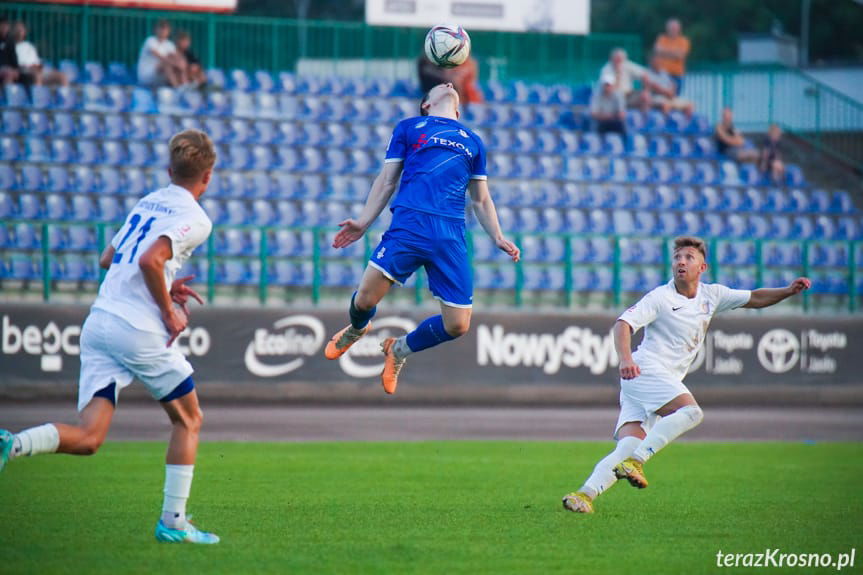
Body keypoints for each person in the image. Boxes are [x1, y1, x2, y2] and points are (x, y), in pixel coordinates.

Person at [0, 130, 220, 545]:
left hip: (100, 322)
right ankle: (173, 522)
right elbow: (151, 260)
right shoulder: (198, 218)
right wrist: (168, 311)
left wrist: (166, 282)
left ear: (169, 170)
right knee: (189, 419)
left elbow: (109, 258)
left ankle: (11, 444)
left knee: (89, 438)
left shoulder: (148, 201)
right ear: (207, 177)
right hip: (136, 329)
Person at [562, 236, 810, 514]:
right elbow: (623, 324)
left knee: (627, 446)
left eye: (688, 257)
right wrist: (625, 358)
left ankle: (583, 495)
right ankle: (638, 461)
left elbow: (754, 297)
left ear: (702, 267)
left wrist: (788, 291)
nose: (681, 262)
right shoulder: (660, 297)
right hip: (645, 370)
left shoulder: (712, 295)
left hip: (651, 381)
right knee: (691, 413)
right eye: (677, 257)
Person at [323, 82, 520, 394]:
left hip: (450, 236)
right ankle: (358, 328)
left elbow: (481, 199)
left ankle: (399, 349)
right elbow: (387, 180)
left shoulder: (473, 142)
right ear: (426, 104)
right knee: (364, 300)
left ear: (458, 109)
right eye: (437, 86)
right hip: (409, 225)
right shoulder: (410, 128)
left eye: (450, 84)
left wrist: (497, 234)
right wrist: (363, 221)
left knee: (458, 325)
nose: (448, 83)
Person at [12, 21, 68, 87]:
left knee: (62, 76)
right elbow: (15, 64)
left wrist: (38, 66)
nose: (19, 32)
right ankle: (38, 95)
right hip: (24, 71)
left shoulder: (29, 46)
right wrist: (29, 67)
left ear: (25, 32)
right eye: (18, 30)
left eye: (22, 30)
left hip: (37, 69)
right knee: (37, 75)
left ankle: (64, 96)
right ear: (12, 31)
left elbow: (37, 61)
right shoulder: (10, 46)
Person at [137, 20, 186, 88]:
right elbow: (160, 57)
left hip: (161, 77)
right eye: (161, 28)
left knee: (180, 62)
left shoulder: (169, 44)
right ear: (156, 30)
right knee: (167, 63)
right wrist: (176, 64)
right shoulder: (150, 41)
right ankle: (177, 88)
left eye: (165, 29)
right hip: (147, 76)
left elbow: (176, 58)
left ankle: (185, 86)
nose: (163, 31)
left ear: (169, 31)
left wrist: (181, 63)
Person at [653, 18, 690, 96]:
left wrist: (664, 53)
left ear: (679, 29)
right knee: (662, 97)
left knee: (675, 98)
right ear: (667, 29)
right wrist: (674, 53)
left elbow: (680, 56)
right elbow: (657, 51)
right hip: (663, 74)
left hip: (677, 75)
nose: (673, 30)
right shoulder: (662, 39)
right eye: (671, 28)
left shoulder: (683, 41)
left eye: (675, 28)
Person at [0, 17, 19, 86]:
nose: (4, 28)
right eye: (2, 25)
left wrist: (16, 69)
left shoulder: (10, 41)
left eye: (6, 26)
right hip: (4, 69)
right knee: (8, 73)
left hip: (8, 69)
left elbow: (14, 57)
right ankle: (6, 95)